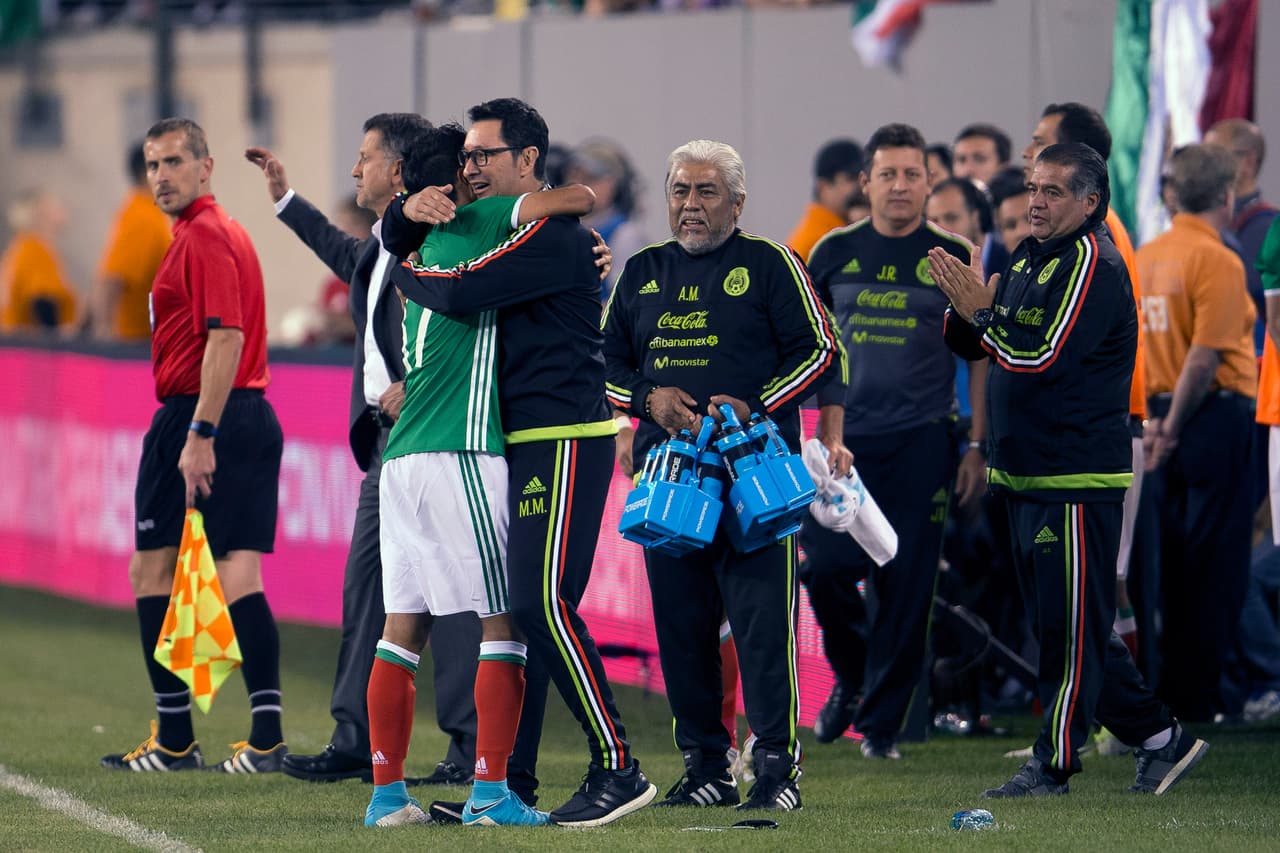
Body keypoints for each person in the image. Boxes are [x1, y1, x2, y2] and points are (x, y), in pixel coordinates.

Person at [392, 98, 656, 828]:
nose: (470, 167)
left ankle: (618, 766)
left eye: (484, 154)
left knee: (541, 605)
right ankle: (509, 787)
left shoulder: (552, 235)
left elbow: (466, 289)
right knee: (525, 617)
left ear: (527, 160)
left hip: (566, 434)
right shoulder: (527, 229)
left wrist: (406, 267)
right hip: (527, 439)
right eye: (467, 156)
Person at [931, 141, 1207, 798]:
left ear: (1091, 201)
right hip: (1027, 472)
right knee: (1069, 627)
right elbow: (990, 341)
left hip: (1074, 477)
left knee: (1070, 634)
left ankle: (1053, 761)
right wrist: (966, 312)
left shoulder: (1093, 262)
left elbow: (1038, 355)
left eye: (1053, 191)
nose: (1036, 201)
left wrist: (983, 314)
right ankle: (1163, 740)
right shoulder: (1032, 254)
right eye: (1033, 187)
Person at [244, 113, 485, 787]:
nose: (355, 170)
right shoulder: (381, 244)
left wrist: (425, 381)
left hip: (435, 432)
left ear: (401, 169)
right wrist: (285, 200)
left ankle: (468, 746)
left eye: (365, 157)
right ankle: (356, 736)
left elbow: (465, 322)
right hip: (386, 445)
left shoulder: (446, 235)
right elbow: (338, 248)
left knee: (455, 592)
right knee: (369, 590)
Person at [602, 139, 840, 810]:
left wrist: (757, 402)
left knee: (764, 629)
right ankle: (706, 764)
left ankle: (774, 769)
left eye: (707, 192)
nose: (691, 204)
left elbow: (822, 351)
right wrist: (649, 402)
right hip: (673, 483)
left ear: (737, 202)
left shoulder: (769, 264)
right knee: (681, 629)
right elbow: (603, 363)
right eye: (681, 190)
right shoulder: (643, 270)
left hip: (753, 481)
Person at [100, 117, 288, 774]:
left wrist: (199, 433)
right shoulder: (212, 233)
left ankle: (178, 738)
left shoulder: (204, 236)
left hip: (203, 414)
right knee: (235, 573)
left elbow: (226, 338)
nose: (162, 176)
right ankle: (263, 736)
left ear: (205, 166)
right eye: (153, 165)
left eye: (175, 162)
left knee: (153, 570)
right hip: (246, 412)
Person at [803, 124, 983, 758]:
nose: (901, 185)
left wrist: (976, 445)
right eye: (888, 174)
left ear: (929, 182)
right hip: (843, 444)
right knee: (822, 571)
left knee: (907, 582)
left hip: (923, 442)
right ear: (866, 182)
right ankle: (851, 681)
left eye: (913, 174)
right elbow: (812, 351)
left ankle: (879, 730)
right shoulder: (830, 252)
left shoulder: (953, 253)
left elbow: (979, 353)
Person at [1023, 100, 1148, 658]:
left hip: (1100, 431)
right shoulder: (1061, 241)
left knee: (1099, 587)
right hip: (1078, 435)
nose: (1032, 154)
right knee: (1085, 591)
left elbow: (1054, 352)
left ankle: (1126, 723)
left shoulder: (1098, 241)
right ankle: (1123, 721)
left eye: (1042, 143)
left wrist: (985, 318)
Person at [1138, 143, 1257, 722]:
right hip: (1211, 419)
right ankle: (1198, 696)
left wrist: (1156, 426)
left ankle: (1171, 691)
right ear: (1228, 195)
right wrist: (1178, 425)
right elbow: (1205, 360)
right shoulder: (1220, 260)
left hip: (1159, 416)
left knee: (1172, 565)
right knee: (1215, 566)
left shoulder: (1148, 255)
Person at [1204, 119, 1276, 356]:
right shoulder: (1207, 228)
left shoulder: (1269, 230)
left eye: (1213, 156)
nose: (1203, 166)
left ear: (1247, 161)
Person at [91, 142, 172, 341]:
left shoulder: (146, 213)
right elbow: (112, 280)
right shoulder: (141, 219)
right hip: (139, 344)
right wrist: (104, 336)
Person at [565, 137, 647, 302]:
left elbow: (624, 306)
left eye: (592, 178)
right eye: (575, 175)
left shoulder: (625, 236)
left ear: (615, 185)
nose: (579, 184)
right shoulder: (561, 228)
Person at [0, 189, 78, 333]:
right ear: (41, 213)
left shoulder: (22, 246)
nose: (63, 209)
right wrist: (56, 338)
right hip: (30, 346)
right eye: (56, 205)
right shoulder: (35, 249)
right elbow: (42, 300)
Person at [786, 137, 863, 262]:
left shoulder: (838, 233)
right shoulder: (816, 243)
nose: (861, 186)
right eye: (852, 178)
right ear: (823, 187)